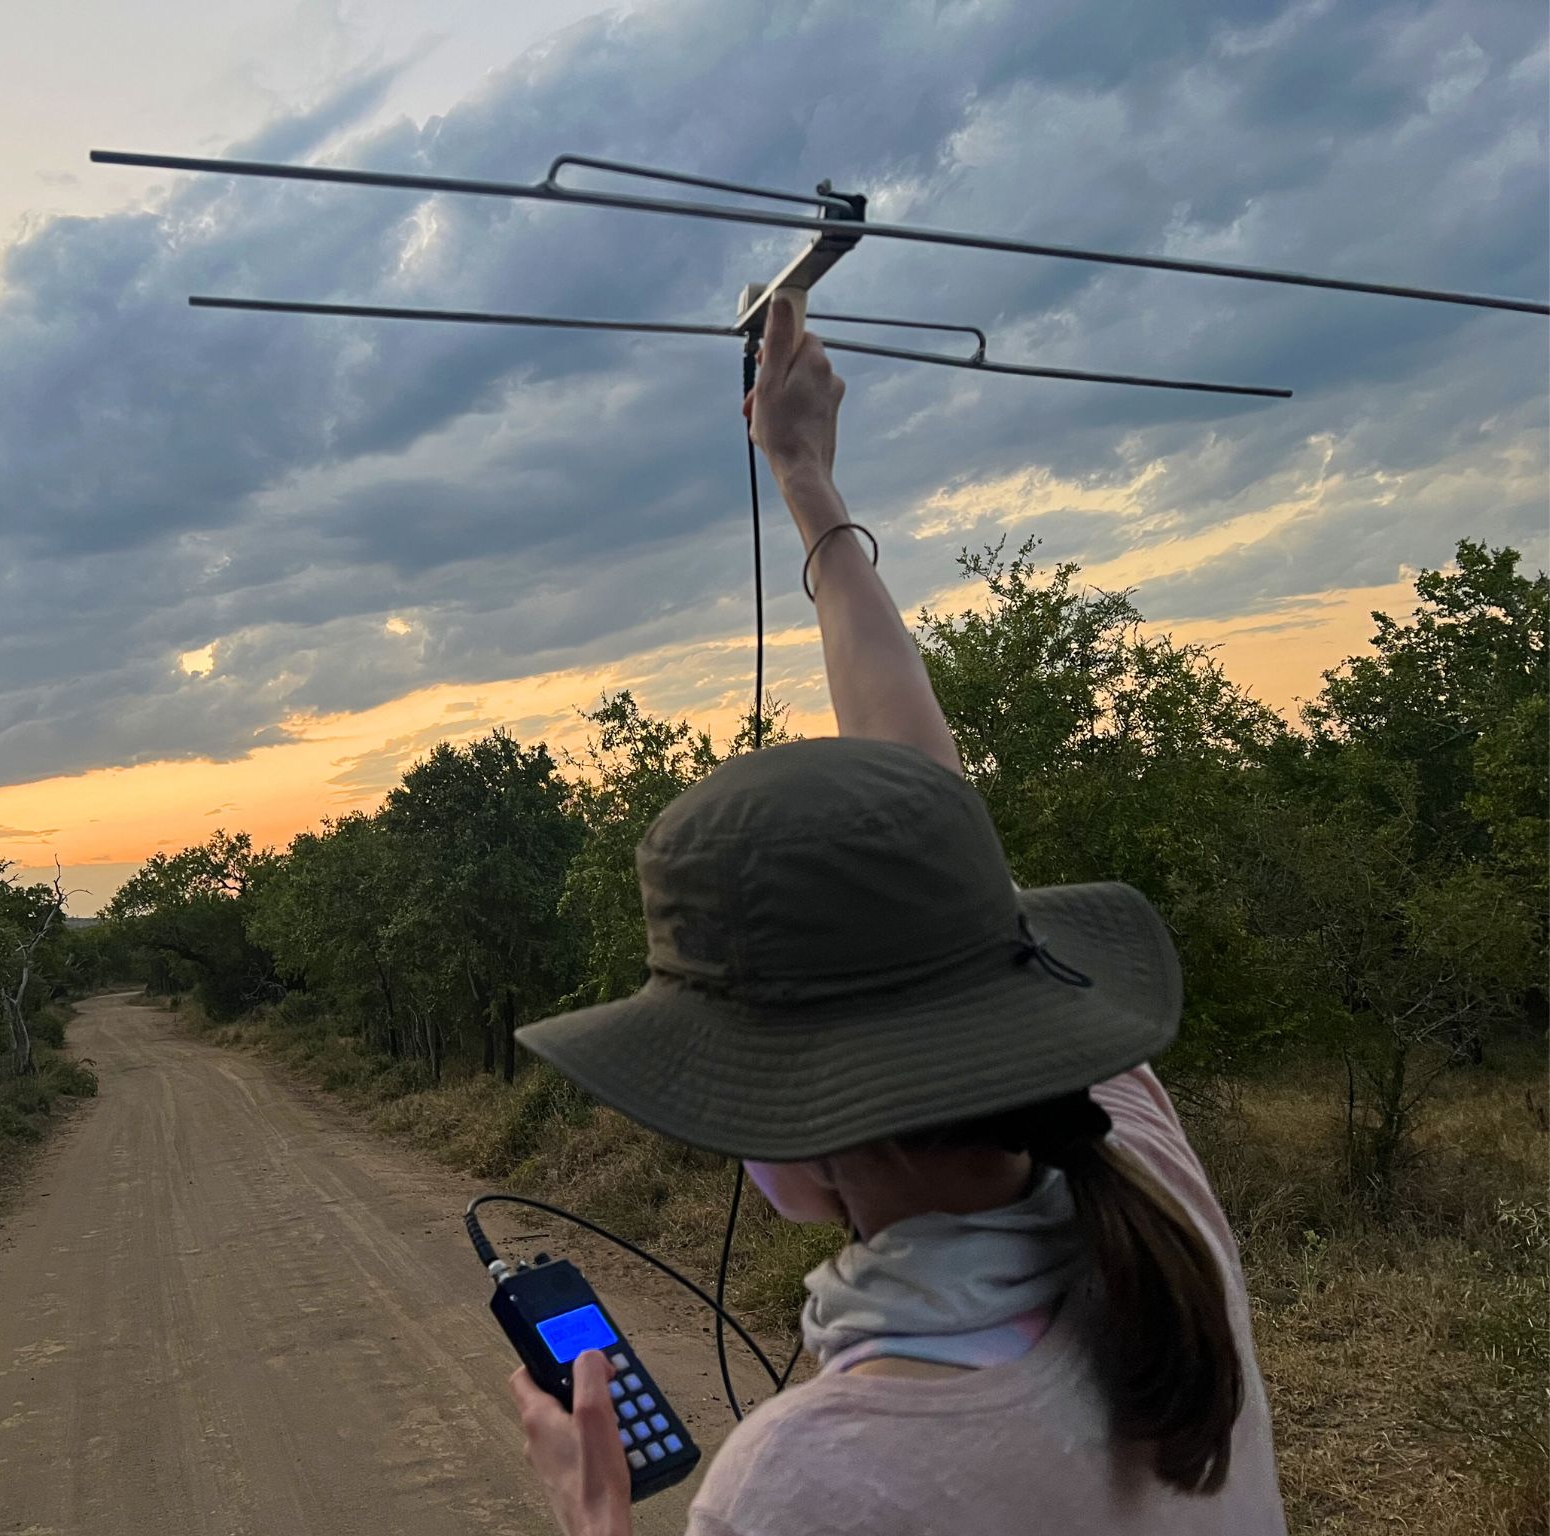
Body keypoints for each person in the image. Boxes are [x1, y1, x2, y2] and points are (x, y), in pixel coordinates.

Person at [502, 293, 1287, 1535]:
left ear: (800, 1137)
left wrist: (595, 1522)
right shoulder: (1143, 1182)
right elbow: (928, 815)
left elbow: (930, 811)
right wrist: (808, 482)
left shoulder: (811, 1484)